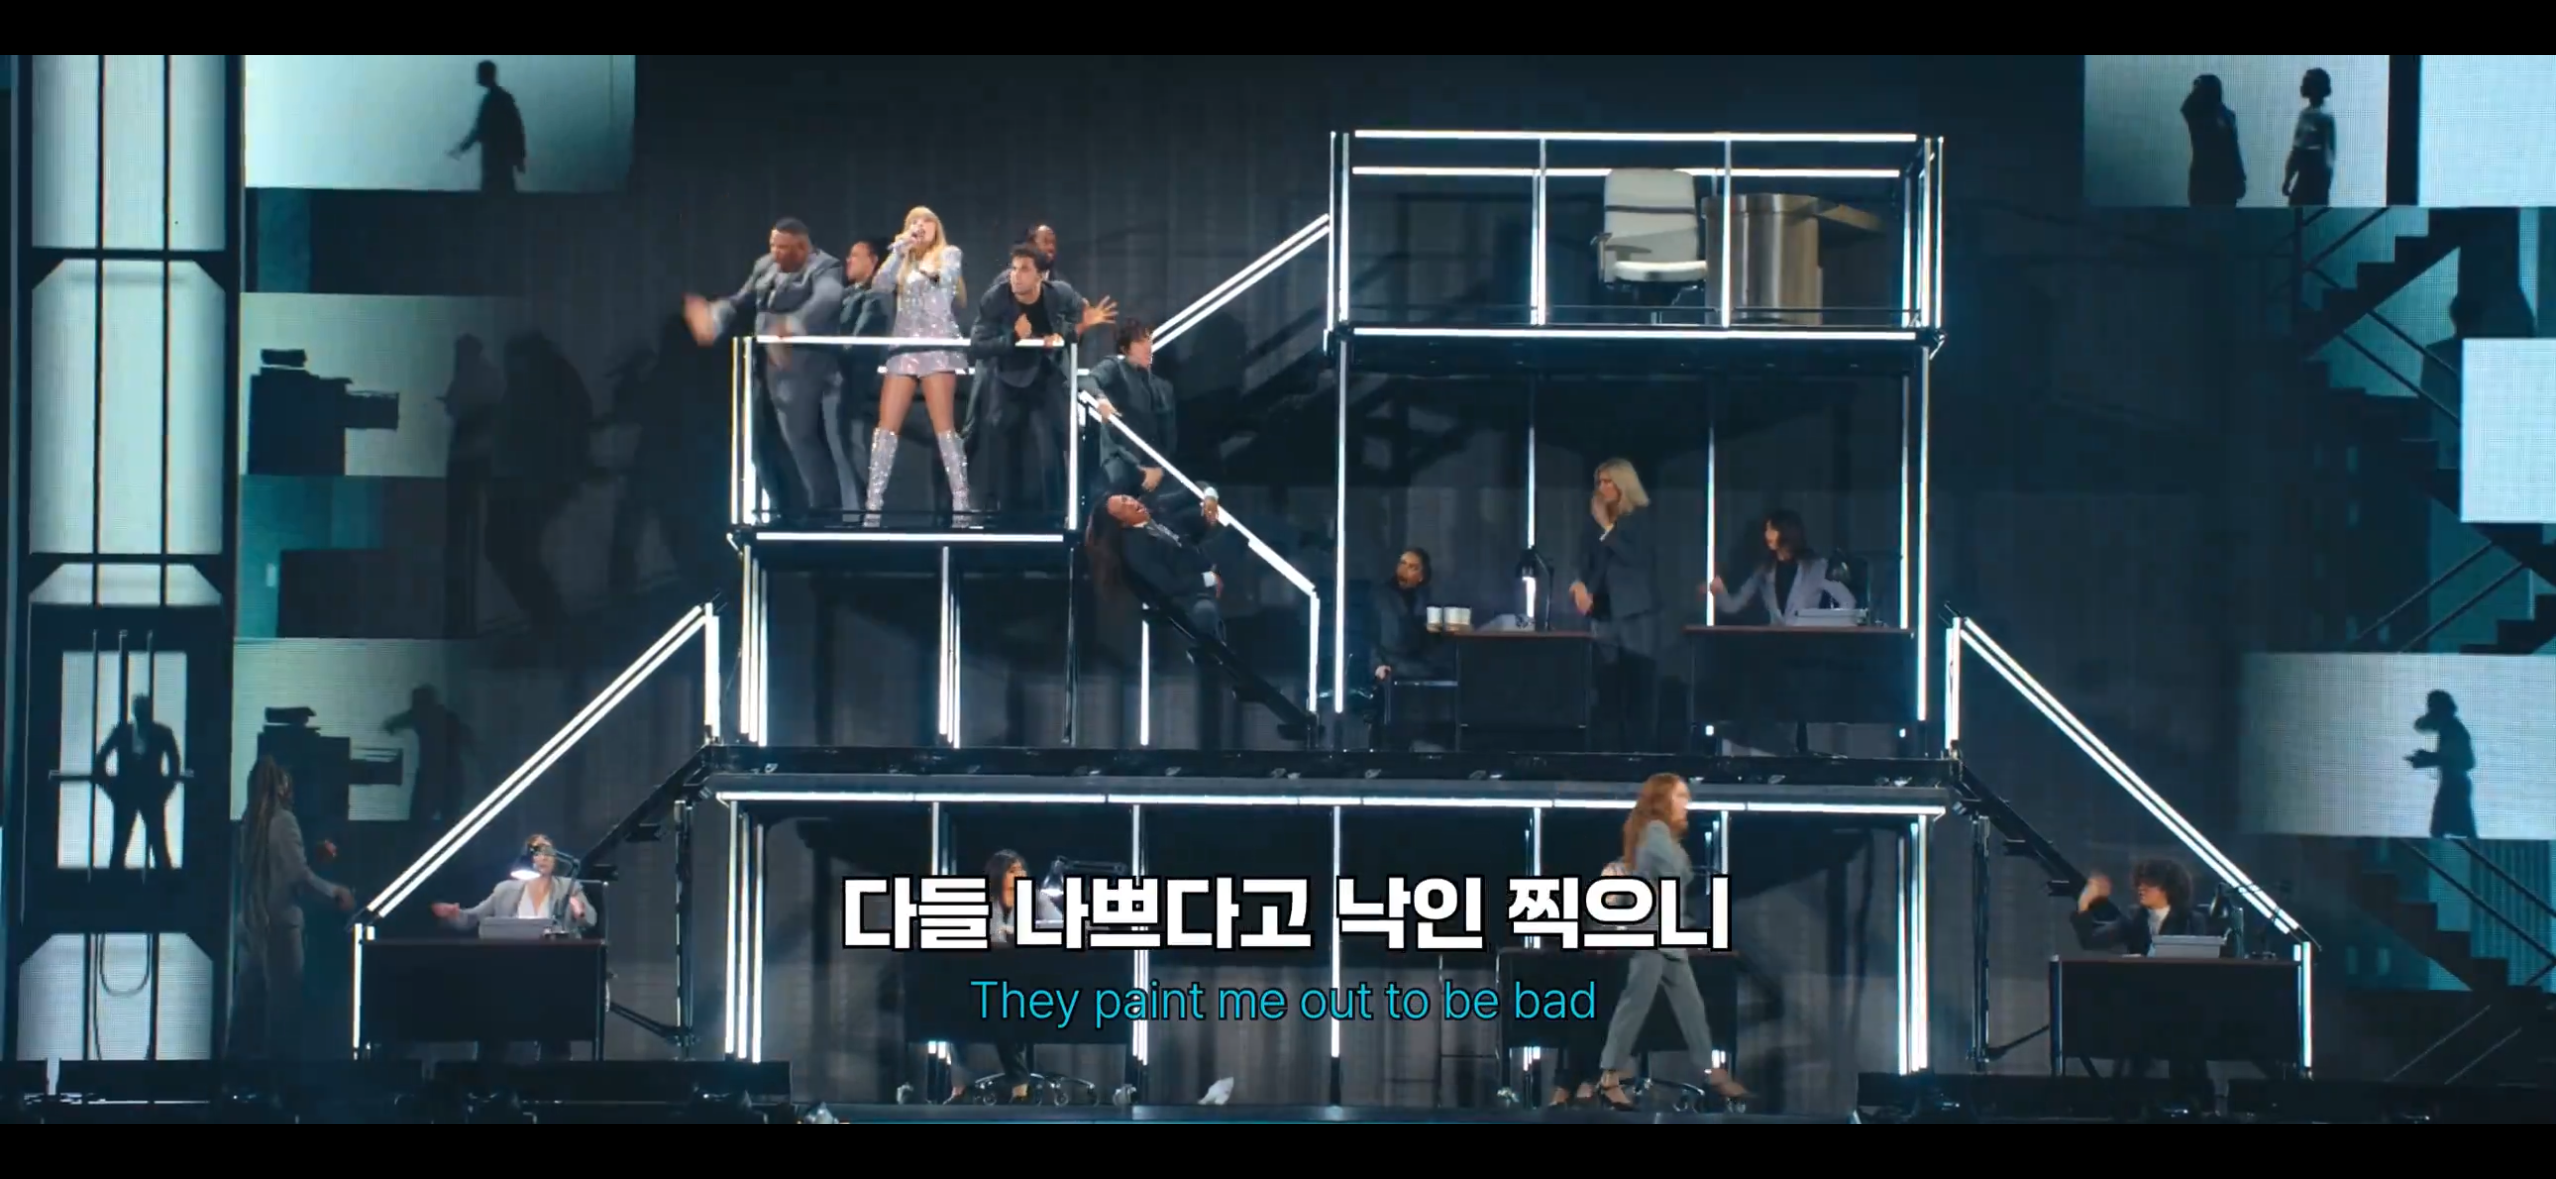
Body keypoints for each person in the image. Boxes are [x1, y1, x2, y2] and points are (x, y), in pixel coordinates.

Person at [1596, 773, 1748, 1110]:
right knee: (1635, 1006)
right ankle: (1609, 1077)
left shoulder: (1655, 834)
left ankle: (1711, 1072)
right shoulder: (1654, 832)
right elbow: (1676, 874)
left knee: (1691, 1008)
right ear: (1663, 800)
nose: (1686, 803)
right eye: (1680, 796)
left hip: (1667, 937)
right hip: (1651, 935)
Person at [682, 218, 852, 519]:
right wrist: (714, 314)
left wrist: (793, 324)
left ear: (802, 247)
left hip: (802, 368)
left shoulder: (825, 267)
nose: (776, 253)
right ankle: (780, 508)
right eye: (773, 245)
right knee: (759, 441)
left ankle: (824, 509)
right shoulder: (766, 265)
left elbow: (828, 297)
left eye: (783, 248)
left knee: (799, 439)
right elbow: (741, 299)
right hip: (762, 363)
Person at [968, 243, 1115, 521]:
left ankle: (1058, 517)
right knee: (1003, 451)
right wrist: (1014, 337)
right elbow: (977, 346)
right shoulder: (996, 298)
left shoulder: (1059, 293)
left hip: (1045, 376)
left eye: (1024, 270)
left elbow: (1072, 324)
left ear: (1040, 275)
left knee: (1052, 449)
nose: (1015, 275)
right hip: (1008, 378)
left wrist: (1076, 329)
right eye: (1013, 268)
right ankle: (1002, 519)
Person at [430, 834, 597, 1061]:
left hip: (553, 969)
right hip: (511, 966)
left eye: (548, 852)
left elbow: (590, 920)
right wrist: (453, 914)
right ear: (527, 858)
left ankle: (555, 1071)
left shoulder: (569, 887)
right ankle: (490, 1072)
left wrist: (579, 910)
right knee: (494, 1014)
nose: (543, 857)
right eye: (537, 852)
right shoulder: (505, 890)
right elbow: (471, 918)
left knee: (554, 1023)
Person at [232, 757, 352, 1060]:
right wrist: (335, 892)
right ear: (281, 786)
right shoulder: (283, 821)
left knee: (247, 1009)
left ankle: (236, 1075)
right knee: (284, 1014)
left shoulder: (250, 822)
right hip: (280, 927)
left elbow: (273, 869)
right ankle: (280, 1078)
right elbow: (298, 877)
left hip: (251, 922)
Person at [861, 207, 973, 525]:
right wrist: (899, 251)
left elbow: (945, 281)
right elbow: (879, 286)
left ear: (936, 227)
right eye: (913, 222)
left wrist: (921, 263)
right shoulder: (903, 259)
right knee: (885, 429)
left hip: (937, 346)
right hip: (905, 346)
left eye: (925, 221)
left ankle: (961, 504)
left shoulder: (948, 254)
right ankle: (872, 508)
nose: (919, 226)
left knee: (944, 428)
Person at [1570, 459, 1662, 750]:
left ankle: (1640, 752)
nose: (1602, 488)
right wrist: (1579, 584)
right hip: (1603, 613)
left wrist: (1608, 528)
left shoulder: (1640, 518)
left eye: (1608, 481)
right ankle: (1607, 751)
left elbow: (1636, 558)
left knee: (1638, 684)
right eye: (1599, 482)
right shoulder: (1594, 522)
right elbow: (1586, 560)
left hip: (1635, 613)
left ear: (1624, 485)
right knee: (1605, 686)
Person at [969, 849, 1065, 1103]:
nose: (1020, 874)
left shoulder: (1036, 898)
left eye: (1022, 869)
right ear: (998, 875)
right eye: (1013, 870)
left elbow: (1062, 925)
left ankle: (1020, 1087)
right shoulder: (983, 900)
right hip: (986, 975)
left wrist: (1024, 932)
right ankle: (960, 1087)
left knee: (1006, 1009)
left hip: (1032, 978)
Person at [1086, 492, 1225, 641]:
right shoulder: (1136, 550)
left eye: (1126, 499)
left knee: (1234, 535)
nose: (1131, 503)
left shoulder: (1157, 510)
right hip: (1190, 594)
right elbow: (1170, 585)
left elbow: (1192, 492)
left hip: (1205, 561)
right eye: (1124, 507)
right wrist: (1208, 579)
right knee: (1205, 614)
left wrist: (1210, 496)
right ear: (1122, 523)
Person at [1548, 857, 1628, 1107]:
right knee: (1587, 1005)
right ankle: (1596, 1081)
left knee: (1592, 1006)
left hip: (1634, 993)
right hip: (1598, 993)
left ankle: (1568, 1086)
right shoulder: (1588, 920)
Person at [1705, 508, 1857, 625]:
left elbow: (1848, 602)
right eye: (1766, 530)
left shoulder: (1817, 568)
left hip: (1808, 644)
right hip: (1776, 645)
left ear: (1786, 531)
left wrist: (1819, 625)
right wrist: (1718, 591)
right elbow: (1733, 605)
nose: (1767, 535)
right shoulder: (1765, 570)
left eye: (1771, 529)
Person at [1084, 314, 1176, 501]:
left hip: (1155, 469)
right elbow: (1087, 381)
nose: (1148, 346)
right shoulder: (1115, 367)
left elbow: (1169, 436)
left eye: (1149, 340)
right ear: (1125, 348)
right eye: (1140, 342)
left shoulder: (1162, 387)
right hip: (1123, 465)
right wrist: (1101, 399)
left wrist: (1159, 469)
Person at [834, 236, 894, 498]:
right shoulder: (847, 294)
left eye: (855, 255)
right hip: (841, 386)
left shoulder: (877, 298)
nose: (848, 260)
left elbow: (861, 343)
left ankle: (864, 511)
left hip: (858, 386)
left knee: (854, 447)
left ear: (873, 261)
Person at [98, 694, 182, 872]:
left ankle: (114, 883)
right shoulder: (161, 733)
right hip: (147, 795)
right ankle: (164, 883)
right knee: (155, 844)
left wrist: (111, 789)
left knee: (129, 845)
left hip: (132, 794)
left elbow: (99, 762)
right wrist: (164, 790)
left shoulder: (122, 732)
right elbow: (174, 766)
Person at [1370, 547, 1440, 750]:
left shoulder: (1423, 598)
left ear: (1422, 575)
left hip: (1417, 664)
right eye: (1403, 563)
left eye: (1412, 567)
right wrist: (1377, 664)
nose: (1405, 569)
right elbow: (1368, 634)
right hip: (1388, 662)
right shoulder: (1380, 596)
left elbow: (1428, 638)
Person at [2070, 857, 2205, 956]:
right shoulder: (2133, 919)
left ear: (2169, 887)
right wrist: (2084, 902)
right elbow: (2091, 941)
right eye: (2139, 883)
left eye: (2149, 883)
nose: (2141, 888)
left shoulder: (2191, 920)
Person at [450, 60, 526, 194]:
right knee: (505, 187)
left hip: (494, 154)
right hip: (502, 154)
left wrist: (462, 147)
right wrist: (519, 156)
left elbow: (479, 130)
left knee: (493, 188)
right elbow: (517, 128)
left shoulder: (492, 100)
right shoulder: (503, 98)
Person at [2410, 690, 2477, 839]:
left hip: (2454, 785)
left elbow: (2462, 761)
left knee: (2441, 829)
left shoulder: (2453, 729)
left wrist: (2427, 759)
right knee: (2450, 828)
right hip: (2454, 784)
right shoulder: (2451, 728)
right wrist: (2429, 758)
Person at [2180, 74, 2245, 207]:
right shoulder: (2224, 115)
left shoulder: (2201, 115)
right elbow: (2233, 150)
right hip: (2218, 178)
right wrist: (2239, 177)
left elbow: (2232, 149)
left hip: (2211, 178)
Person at [2284, 67, 2336, 207]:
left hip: (2315, 176)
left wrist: (2325, 183)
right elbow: (2296, 150)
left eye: (2306, 82)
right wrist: (2288, 177)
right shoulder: (2306, 114)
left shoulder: (2323, 116)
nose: (2302, 86)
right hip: (2308, 174)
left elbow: (2327, 152)